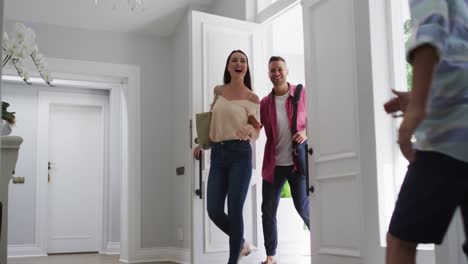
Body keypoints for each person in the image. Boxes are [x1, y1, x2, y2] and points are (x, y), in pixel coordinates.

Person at [384, 1, 468, 263]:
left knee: (401, 240)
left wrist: (419, 106)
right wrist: (423, 96)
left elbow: (431, 27)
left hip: (448, 136)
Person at [192, 50, 261, 264]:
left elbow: (257, 131)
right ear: (228, 66)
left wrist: (250, 129)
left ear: (246, 67)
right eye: (234, 60)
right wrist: (201, 143)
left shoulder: (252, 97)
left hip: (240, 155)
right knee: (213, 209)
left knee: (234, 208)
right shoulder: (218, 90)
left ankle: (232, 261)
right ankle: (242, 244)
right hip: (218, 155)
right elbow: (214, 120)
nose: (239, 63)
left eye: (243, 61)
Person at [259, 56, 310, 264]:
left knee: (303, 208)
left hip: (297, 163)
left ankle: (324, 247)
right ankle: (271, 257)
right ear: (269, 74)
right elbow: (255, 126)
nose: (276, 73)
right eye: (272, 70)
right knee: (268, 211)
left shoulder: (301, 93)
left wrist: (306, 131)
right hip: (274, 164)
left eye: (279, 69)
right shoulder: (265, 103)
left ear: (286, 71)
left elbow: (318, 115)